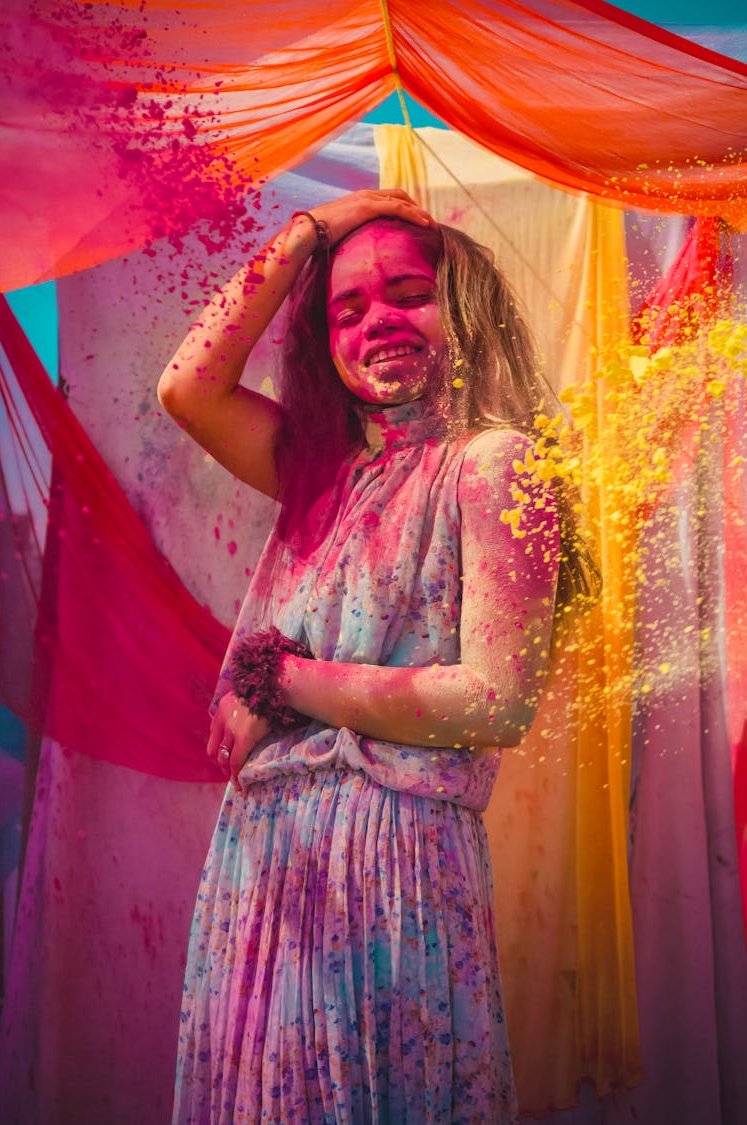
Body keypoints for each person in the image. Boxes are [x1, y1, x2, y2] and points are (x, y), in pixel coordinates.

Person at [158, 189, 594, 1125]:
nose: (379, 321)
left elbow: (493, 702)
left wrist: (281, 680)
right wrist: (309, 234)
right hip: (263, 864)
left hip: (391, 864)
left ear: (465, 305)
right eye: (347, 310)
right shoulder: (321, 471)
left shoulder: (494, 462)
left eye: (408, 292)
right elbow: (185, 388)